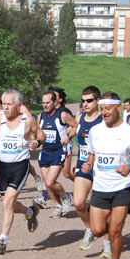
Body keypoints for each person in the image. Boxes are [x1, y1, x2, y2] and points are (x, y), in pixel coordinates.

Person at [81, 92, 130, 259]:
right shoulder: (95, 131)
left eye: (108, 108)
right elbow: (92, 154)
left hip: (123, 187)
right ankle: (109, 238)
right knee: (97, 230)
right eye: (102, 109)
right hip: (100, 187)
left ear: (118, 108)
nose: (104, 112)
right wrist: (88, 164)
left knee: (114, 230)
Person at [0, 89, 44, 254]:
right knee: (8, 202)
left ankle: (2, 241)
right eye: (3, 104)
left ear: (18, 106)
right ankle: (30, 212)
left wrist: (36, 143)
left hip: (20, 166)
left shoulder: (28, 121)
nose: (5, 107)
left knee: (7, 203)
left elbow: (41, 135)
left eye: (9, 104)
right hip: (3, 167)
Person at [72, 86, 112, 258]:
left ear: (97, 101)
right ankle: (90, 228)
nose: (85, 103)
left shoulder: (104, 121)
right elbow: (82, 143)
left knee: (104, 209)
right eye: (83, 100)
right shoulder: (81, 117)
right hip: (84, 164)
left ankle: (108, 243)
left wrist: (92, 160)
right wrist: (77, 159)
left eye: (89, 100)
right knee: (79, 203)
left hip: (102, 167)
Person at [33, 90, 76, 218]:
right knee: (46, 183)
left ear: (54, 102)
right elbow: (38, 133)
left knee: (51, 182)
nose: (45, 105)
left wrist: (68, 137)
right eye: (43, 103)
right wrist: (35, 141)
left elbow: (75, 126)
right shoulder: (41, 116)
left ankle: (66, 196)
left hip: (58, 152)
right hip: (45, 151)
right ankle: (58, 205)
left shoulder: (62, 115)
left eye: (48, 103)